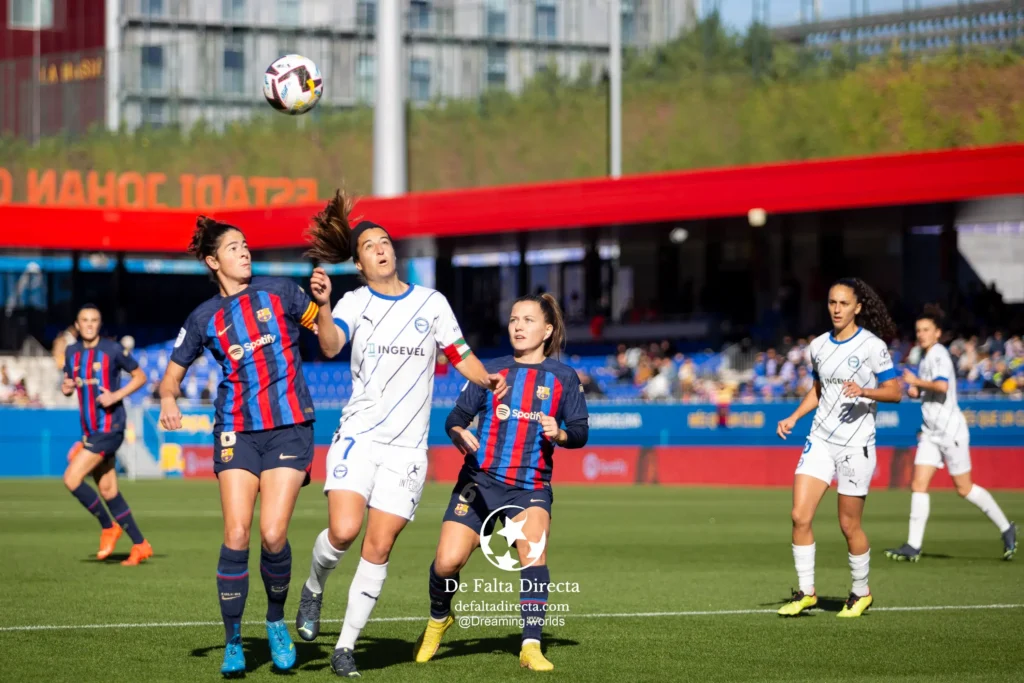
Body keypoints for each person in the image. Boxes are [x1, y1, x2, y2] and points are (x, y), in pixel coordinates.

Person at [292, 190, 508, 678]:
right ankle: (313, 586)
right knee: (345, 530)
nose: (381, 247)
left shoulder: (432, 303)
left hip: (408, 450)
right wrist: (322, 307)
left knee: (379, 547)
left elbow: (460, 356)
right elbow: (328, 346)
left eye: (386, 241)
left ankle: (345, 647)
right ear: (360, 263)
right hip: (360, 436)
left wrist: (489, 379)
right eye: (370, 245)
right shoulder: (353, 300)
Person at [158, 217, 320, 676]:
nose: (245, 251)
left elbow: (327, 341)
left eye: (246, 244)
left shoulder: (283, 291)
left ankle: (273, 621)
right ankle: (233, 641)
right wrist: (169, 399)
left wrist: (323, 308)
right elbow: (170, 379)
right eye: (234, 247)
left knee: (273, 534)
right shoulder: (202, 317)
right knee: (236, 534)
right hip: (235, 430)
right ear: (214, 261)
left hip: (290, 427)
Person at [413, 293, 590, 672]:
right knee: (446, 563)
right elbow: (454, 418)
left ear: (547, 329)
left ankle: (530, 645)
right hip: (479, 481)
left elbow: (580, 432)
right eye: (514, 319)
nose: (518, 326)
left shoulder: (564, 378)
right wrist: (459, 432)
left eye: (528, 320)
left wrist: (560, 434)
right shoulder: (490, 370)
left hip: (529, 488)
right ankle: (439, 618)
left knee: (533, 555)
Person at [775, 278, 902, 618]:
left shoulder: (872, 346)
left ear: (857, 307)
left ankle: (861, 592)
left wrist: (864, 391)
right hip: (820, 439)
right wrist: (794, 417)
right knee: (799, 515)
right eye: (832, 302)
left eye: (844, 303)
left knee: (849, 526)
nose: (836, 309)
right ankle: (806, 592)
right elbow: (818, 390)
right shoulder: (818, 345)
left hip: (855, 444)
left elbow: (895, 391)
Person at [886, 305, 1016, 562]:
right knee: (918, 485)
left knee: (964, 488)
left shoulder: (939, 355)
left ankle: (1006, 527)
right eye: (918, 330)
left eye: (926, 330)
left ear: (937, 333)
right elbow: (930, 389)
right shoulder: (925, 358)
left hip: (950, 431)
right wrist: (916, 391)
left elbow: (942, 386)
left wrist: (916, 383)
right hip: (930, 433)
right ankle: (913, 545)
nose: (921, 334)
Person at [60, 304, 151, 566]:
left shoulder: (111, 350)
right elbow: (69, 385)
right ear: (77, 325)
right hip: (90, 430)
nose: (89, 324)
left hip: (110, 428)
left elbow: (140, 376)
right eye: (84, 320)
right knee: (108, 490)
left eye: (94, 320)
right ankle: (140, 545)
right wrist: (66, 387)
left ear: (99, 324)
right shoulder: (72, 352)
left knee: (72, 478)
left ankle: (108, 527)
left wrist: (116, 395)